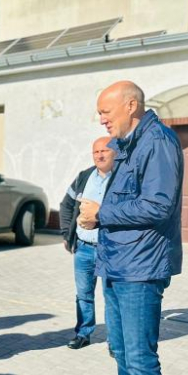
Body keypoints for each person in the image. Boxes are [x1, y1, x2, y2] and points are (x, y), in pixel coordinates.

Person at [80, 81, 183, 375]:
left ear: (132, 104)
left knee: (141, 358)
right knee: (121, 350)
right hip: (119, 263)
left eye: (107, 112)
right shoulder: (129, 144)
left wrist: (101, 213)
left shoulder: (157, 141)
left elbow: (158, 204)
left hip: (141, 268)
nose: (102, 119)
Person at [59, 137, 115, 349]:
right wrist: (67, 234)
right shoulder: (84, 176)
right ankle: (83, 333)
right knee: (83, 294)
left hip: (110, 250)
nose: (100, 155)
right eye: (96, 152)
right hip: (83, 248)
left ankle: (114, 341)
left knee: (112, 297)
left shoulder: (120, 177)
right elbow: (66, 205)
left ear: (114, 153)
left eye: (104, 151)